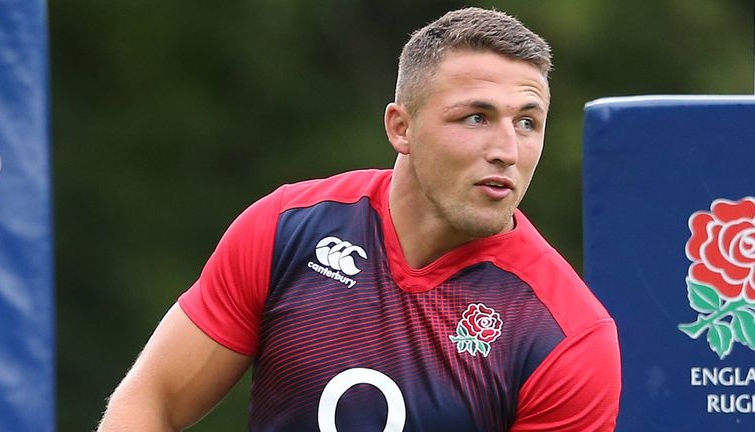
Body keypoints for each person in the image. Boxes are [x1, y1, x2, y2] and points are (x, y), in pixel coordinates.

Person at [97, 7, 621, 431]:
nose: (508, 149)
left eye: (528, 122)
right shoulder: (288, 228)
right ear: (401, 128)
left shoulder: (566, 335)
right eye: (476, 117)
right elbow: (152, 401)